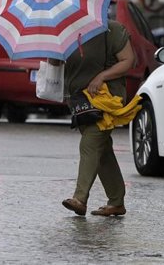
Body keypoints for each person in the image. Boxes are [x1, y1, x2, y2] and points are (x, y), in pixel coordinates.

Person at [61, 19, 135, 216]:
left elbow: (128, 60)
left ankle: (80, 198)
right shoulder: (65, 32)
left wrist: (102, 76)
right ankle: (116, 201)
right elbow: (61, 64)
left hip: (106, 97)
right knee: (102, 151)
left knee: (90, 144)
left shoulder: (111, 30)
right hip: (80, 100)